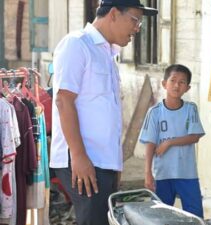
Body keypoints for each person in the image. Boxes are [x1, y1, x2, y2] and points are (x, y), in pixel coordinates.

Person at [50, 1, 157, 224]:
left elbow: (107, 115)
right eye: (135, 20)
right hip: (83, 159)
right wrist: (78, 156)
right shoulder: (77, 44)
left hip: (102, 162)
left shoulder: (108, 54)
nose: (137, 28)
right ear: (114, 14)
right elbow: (63, 100)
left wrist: (115, 165)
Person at [139, 64, 205, 218]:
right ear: (164, 84)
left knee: (195, 215)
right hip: (163, 173)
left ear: (187, 88)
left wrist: (169, 142)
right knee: (162, 215)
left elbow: (195, 136)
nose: (177, 85)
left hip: (187, 173)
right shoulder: (155, 112)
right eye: (173, 80)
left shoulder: (191, 109)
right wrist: (148, 173)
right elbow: (150, 143)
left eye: (182, 82)